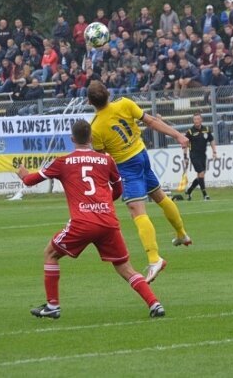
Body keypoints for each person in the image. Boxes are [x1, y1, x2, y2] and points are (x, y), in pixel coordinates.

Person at [15, 120, 164, 319]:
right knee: (124, 268)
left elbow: (30, 181)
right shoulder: (107, 160)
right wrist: (103, 205)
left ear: (72, 139)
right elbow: (119, 189)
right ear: (91, 138)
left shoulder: (63, 162)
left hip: (83, 223)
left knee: (50, 253)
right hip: (108, 222)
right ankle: (154, 303)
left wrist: (23, 174)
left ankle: (52, 306)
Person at [87, 81, 190, 284]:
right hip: (142, 154)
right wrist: (178, 134)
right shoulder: (124, 103)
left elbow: (102, 158)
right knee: (159, 196)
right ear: (108, 94)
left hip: (126, 165)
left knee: (137, 211)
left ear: (90, 102)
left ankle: (154, 259)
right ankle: (181, 234)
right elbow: (151, 121)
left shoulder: (96, 127)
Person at [184, 112, 217, 201]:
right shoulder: (190, 131)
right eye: (195, 119)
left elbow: (212, 140)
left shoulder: (206, 129)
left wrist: (214, 151)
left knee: (200, 176)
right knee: (201, 173)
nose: (197, 121)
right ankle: (205, 195)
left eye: (198, 119)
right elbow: (185, 144)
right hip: (194, 155)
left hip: (203, 155)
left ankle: (190, 190)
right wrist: (185, 157)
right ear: (193, 121)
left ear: (201, 120)